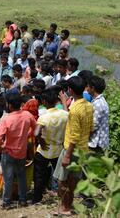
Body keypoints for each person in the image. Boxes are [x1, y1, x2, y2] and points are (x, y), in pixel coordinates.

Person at [53, 76, 93, 216]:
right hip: (83, 149)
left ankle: (65, 207)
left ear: (70, 89)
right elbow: (91, 128)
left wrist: (67, 155)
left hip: (71, 149)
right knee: (72, 180)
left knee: (62, 181)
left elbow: (74, 135)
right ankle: (68, 206)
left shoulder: (75, 109)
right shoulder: (88, 105)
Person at [0, 93, 36, 209]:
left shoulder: (6, 119)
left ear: (10, 105)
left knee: (8, 178)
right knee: (21, 176)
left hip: (8, 153)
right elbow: (36, 127)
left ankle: (7, 202)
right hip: (22, 152)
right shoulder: (27, 115)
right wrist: (28, 134)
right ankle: (23, 200)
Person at [33, 89, 68, 204]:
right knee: (60, 175)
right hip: (58, 149)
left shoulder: (44, 116)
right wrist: (64, 102)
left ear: (44, 101)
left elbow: (36, 133)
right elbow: (67, 114)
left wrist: (41, 141)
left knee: (39, 175)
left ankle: (37, 198)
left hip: (44, 149)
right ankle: (62, 196)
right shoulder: (64, 114)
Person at [87, 76, 109, 153]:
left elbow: (93, 125)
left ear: (92, 88)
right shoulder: (98, 101)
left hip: (96, 143)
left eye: (88, 86)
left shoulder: (98, 104)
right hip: (97, 141)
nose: (86, 88)